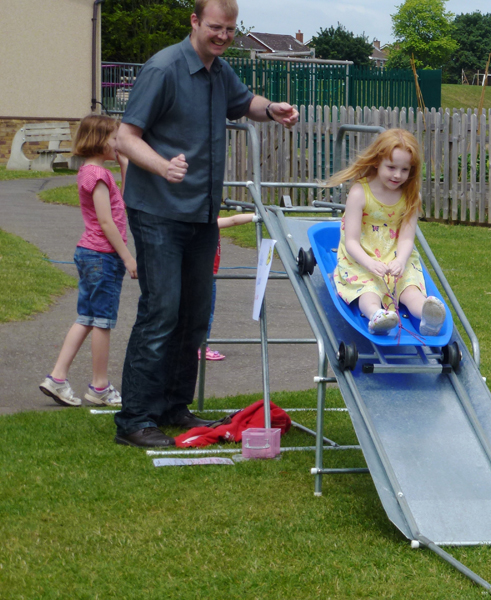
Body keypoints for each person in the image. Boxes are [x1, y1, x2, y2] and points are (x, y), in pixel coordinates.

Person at [113, 0, 299, 448]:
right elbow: (124, 136)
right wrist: (162, 166)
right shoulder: (164, 69)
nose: (223, 36)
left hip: (201, 214)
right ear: (194, 21)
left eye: (231, 29)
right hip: (158, 210)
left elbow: (244, 102)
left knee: (194, 317)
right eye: (216, 27)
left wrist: (272, 107)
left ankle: (174, 406)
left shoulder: (219, 71)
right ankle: (136, 418)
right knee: (162, 312)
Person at [39, 115, 137, 407]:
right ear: (98, 140)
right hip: (102, 257)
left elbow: (126, 200)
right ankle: (99, 386)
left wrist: (123, 165)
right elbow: (107, 222)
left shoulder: (92, 171)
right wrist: (128, 257)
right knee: (102, 322)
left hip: (92, 254)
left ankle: (57, 378)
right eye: (114, 138)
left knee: (87, 318)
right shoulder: (97, 175)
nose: (118, 143)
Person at [327, 128, 445, 336]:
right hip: (362, 258)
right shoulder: (359, 193)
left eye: (404, 169)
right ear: (376, 162)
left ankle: (427, 316)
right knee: (368, 289)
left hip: (395, 256)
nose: (397, 175)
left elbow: (407, 237)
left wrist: (400, 261)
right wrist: (370, 263)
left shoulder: (410, 195)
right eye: (391, 167)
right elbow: (351, 241)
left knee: (409, 288)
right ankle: (377, 315)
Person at [201, 211, 257, 361]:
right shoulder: (207, 221)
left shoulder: (208, 218)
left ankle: (197, 346)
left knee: (203, 313)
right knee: (206, 314)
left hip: (207, 274)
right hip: (205, 275)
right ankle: (201, 347)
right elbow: (233, 220)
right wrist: (255, 215)